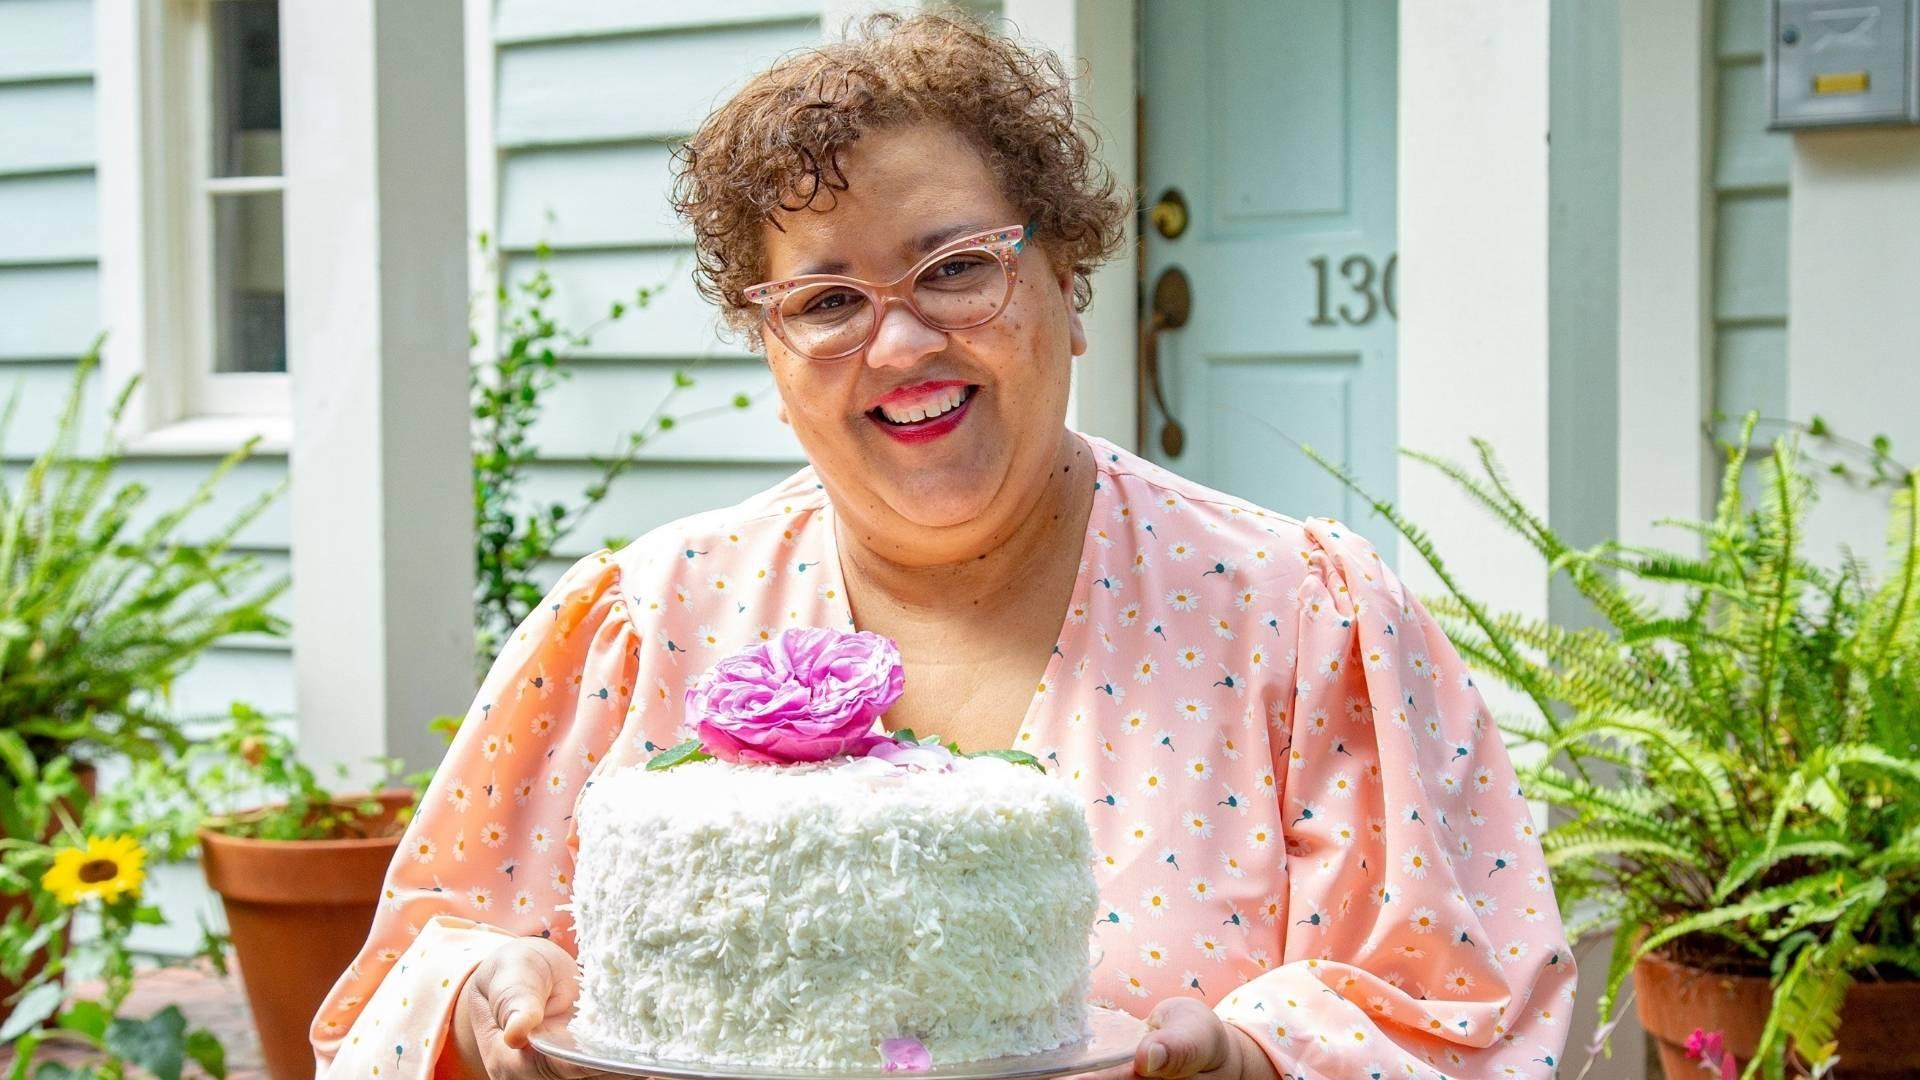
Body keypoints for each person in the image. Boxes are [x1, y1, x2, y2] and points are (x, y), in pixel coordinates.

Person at [313, 13, 1576, 1080]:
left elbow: (1468, 1017)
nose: (903, 345)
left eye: (957, 268)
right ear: (770, 350)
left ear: (1070, 282)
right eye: (825, 301)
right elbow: (395, 987)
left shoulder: (1303, 622)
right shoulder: (644, 624)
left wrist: (1244, 1061)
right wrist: (487, 991)